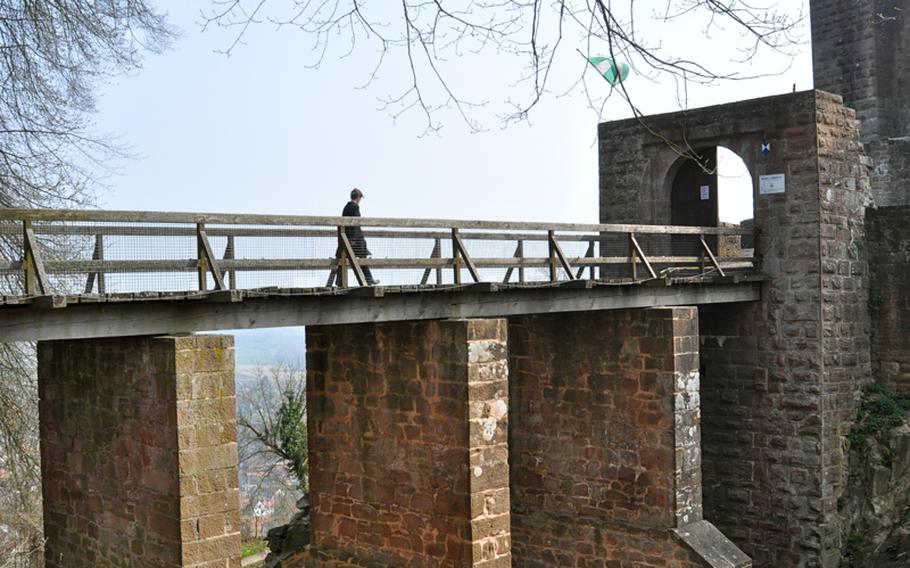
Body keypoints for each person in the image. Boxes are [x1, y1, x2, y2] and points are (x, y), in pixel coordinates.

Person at [338, 188, 377, 285]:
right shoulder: (355, 207)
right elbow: (356, 224)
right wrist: (353, 239)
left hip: (346, 238)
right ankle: (368, 280)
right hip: (356, 240)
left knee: (341, 258)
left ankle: (339, 281)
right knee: (362, 259)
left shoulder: (346, 207)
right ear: (358, 197)